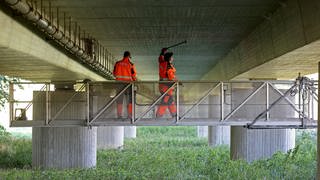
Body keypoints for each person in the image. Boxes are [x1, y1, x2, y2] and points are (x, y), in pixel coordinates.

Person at [113, 51, 137, 118]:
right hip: (128, 84)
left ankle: (119, 115)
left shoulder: (117, 63)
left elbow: (114, 74)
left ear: (123, 56)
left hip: (119, 84)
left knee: (119, 100)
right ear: (129, 57)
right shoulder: (131, 65)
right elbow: (133, 75)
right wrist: (134, 81)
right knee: (129, 100)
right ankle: (130, 115)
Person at [156, 51, 177, 118]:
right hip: (167, 87)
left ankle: (174, 114)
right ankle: (159, 115)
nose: (173, 58)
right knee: (166, 100)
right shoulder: (168, 66)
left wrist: (162, 53)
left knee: (170, 101)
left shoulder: (162, 64)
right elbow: (171, 76)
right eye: (172, 57)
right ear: (170, 58)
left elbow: (160, 59)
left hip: (162, 86)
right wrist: (176, 81)